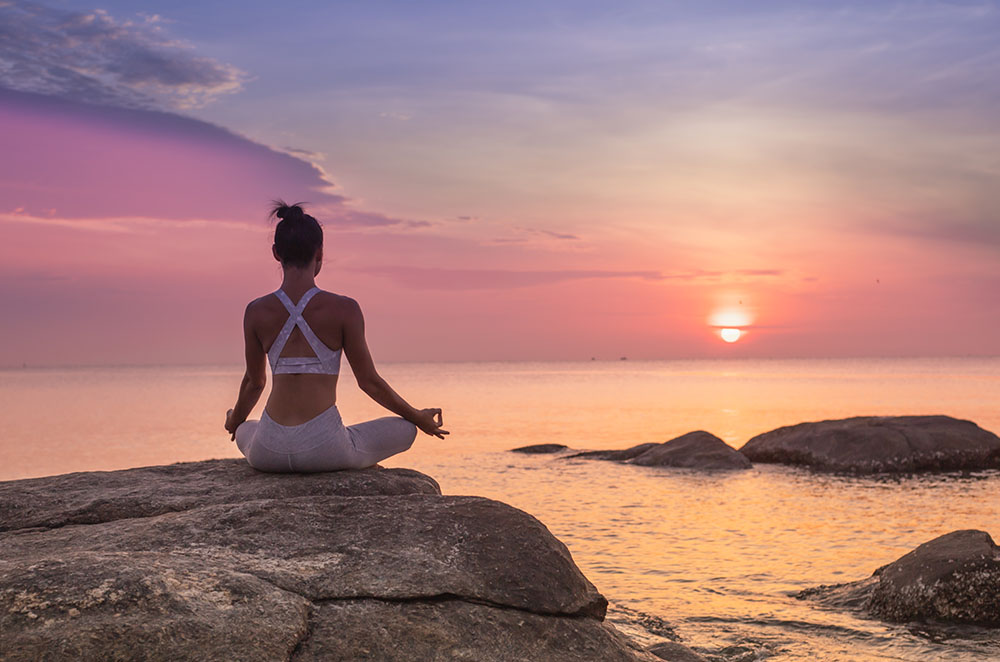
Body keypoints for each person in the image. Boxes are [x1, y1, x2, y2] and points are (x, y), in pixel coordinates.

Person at [224, 201, 447, 472]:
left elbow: (253, 383)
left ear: (276, 253)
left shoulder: (256, 311)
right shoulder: (345, 309)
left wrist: (234, 421)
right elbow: (369, 382)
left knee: (248, 427)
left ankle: (250, 430)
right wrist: (418, 417)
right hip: (325, 450)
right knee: (406, 429)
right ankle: (348, 441)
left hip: (269, 452)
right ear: (319, 253)